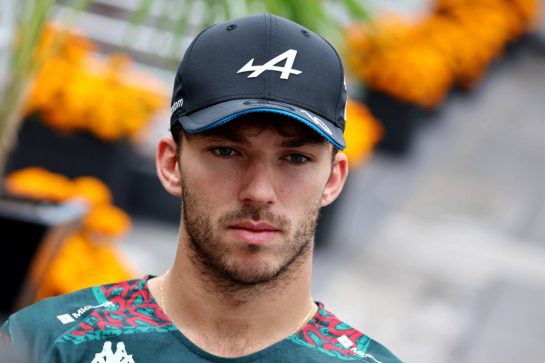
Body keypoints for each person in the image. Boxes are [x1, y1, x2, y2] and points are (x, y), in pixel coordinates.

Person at [1, 13, 402, 362]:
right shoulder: (44, 345)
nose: (259, 191)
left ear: (333, 179)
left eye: (295, 158)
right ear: (171, 163)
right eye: (227, 151)